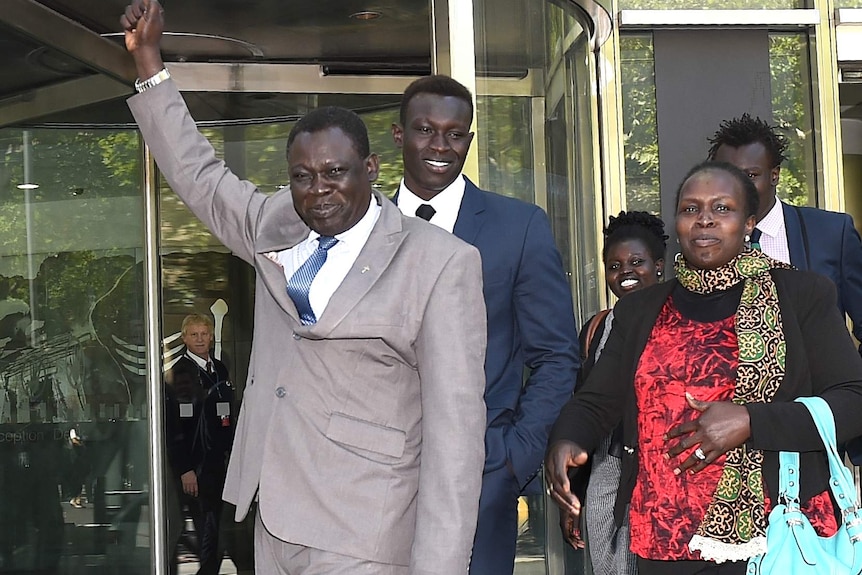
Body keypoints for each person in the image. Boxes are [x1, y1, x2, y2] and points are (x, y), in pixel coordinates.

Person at [121, 2, 488, 573]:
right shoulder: (275, 227)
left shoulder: (440, 263)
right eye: (302, 176)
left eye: (335, 172)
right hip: (273, 521)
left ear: (369, 167)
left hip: (366, 533)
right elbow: (198, 175)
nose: (318, 190)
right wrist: (149, 65)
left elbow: (456, 438)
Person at [546, 161, 862, 575]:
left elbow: (853, 400)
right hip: (662, 539)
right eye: (691, 209)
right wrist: (567, 438)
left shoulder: (802, 295)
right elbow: (595, 401)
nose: (705, 219)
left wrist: (752, 420)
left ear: (749, 223)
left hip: (776, 535)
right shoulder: (642, 309)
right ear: (677, 223)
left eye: (722, 208)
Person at [391, 75, 580, 575]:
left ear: (469, 141)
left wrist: (511, 459)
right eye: (425, 130)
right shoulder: (361, 226)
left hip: (480, 475)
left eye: (455, 134)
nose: (440, 146)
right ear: (399, 135)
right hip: (373, 477)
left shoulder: (517, 227)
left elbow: (556, 356)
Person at [562, 211, 667, 575]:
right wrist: (574, 498)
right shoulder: (597, 329)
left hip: (665, 480)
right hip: (608, 476)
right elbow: (583, 411)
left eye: (637, 262)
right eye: (614, 265)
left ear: (660, 267)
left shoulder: (682, 324)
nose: (625, 272)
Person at [707, 114, 862, 353]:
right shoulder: (703, 243)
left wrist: (850, 385)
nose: (738, 186)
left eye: (750, 176)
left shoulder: (832, 233)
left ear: (774, 175)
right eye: (728, 175)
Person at [164, 314, 234, 575]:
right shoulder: (177, 374)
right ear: (184, 338)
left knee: (218, 526)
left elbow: (227, 415)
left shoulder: (220, 368)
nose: (200, 339)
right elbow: (174, 429)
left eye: (204, 333)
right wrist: (185, 470)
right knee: (205, 526)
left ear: (212, 336)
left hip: (220, 462)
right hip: (195, 466)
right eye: (194, 334)